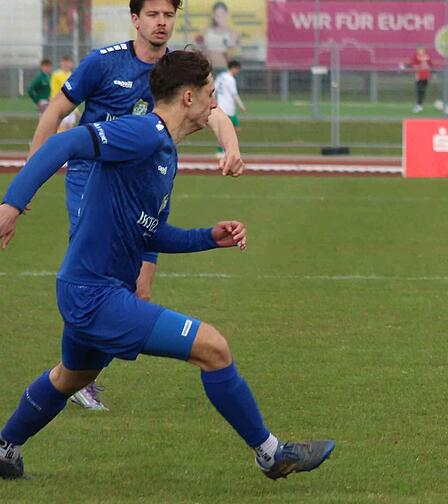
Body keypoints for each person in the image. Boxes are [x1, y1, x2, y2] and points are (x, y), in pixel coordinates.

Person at [0, 50, 335, 482]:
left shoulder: (163, 153)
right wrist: (12, 204)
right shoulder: (142, 132)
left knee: (69, 377)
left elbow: (149, 232)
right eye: (212, 95)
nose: (216, 106)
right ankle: (270, 453)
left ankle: (5, 448)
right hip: (94, 295)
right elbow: (66, 142)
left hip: (95, 290)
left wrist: (207, 238)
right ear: (190, 97)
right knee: (213, 348)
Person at [28, 0, 244, 410]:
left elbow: (214, 111)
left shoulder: (176, 72)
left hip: (148, 191)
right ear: (135, 19)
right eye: (153, 15)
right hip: (94, 185)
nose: (162, 23)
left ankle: (77, 372)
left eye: (168, 15)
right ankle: (78, 375)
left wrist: (232, 147)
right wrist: (33, 173)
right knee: (101, 277)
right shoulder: (104, 63)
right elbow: (58, 111)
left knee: (140, 288)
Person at [214, 60, 247, 158]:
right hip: (228, 109)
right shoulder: (230, 79)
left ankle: (225, 150)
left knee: (231, 130)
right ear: (234, 68)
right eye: (237, 69)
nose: (237, 71)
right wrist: (241, 105)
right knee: (232, 130)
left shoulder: (220, 77)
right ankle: (222, 150)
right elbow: (234, 95)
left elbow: (214, 90)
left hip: (222, 107)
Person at [197, 1, 239, 72]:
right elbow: (199, 49)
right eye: (217, 15)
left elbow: (231, 55)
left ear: (227, 14)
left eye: (222, 14)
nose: (220, 17)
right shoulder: (206, 31)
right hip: (207, 70)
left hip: (223, 69)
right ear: (213, 15)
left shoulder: (231, 33)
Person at [50, 55, 79, 131]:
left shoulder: (72, 75)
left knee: (69, 128)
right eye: (64, 62)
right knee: (61, 128)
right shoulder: (56, 75)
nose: (66, 64)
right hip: (61, 105)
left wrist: (76, 110)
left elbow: (74, 93)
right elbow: (54, 91)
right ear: (61, 63)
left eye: (68, 62)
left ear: (71, 64)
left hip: (71, 106)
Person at [407, 46, 433, 113]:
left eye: (421, 49)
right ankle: (419, 105)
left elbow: (412, 64)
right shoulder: (427, 56)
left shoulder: (418, 56)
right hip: (423, 75)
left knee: (420, 91)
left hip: (422, 76)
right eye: (419, 50)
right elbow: (431, 65)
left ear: (424, 50)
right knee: (421, 91)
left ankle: (419, 106)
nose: (420, 51)